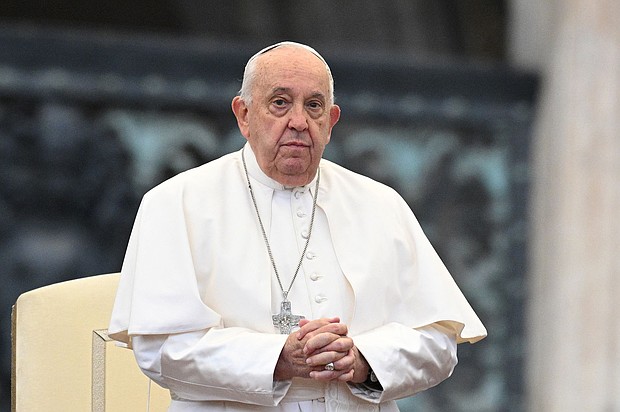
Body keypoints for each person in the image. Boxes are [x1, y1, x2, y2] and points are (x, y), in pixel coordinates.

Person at [108, 41, 487, 411]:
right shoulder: (176, 203)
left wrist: (363, 361)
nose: (298, 122)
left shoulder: (381, 204)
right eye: (280, 103)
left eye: (314, 106)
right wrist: (279, 358)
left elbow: (439, 342)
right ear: (243, 115)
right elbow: (159, 349)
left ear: (331, 121)